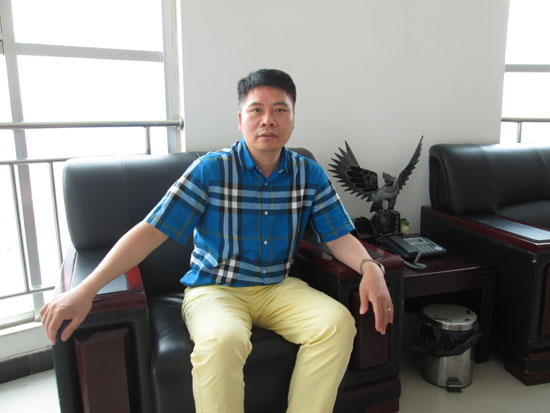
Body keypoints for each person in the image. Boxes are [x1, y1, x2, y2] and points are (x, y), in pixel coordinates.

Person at [41, 69, 393, 413]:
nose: (268, 120)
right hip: (214, 289)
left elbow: (338, 235)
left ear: (292, 120)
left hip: (277, 287)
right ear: (240, 119)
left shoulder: (308, 174)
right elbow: (150, 232)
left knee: (336, 324)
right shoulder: (211, 170)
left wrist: (370, 267)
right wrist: (85, 290)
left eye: (280, 110)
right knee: (223, 341)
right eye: (256, 110)